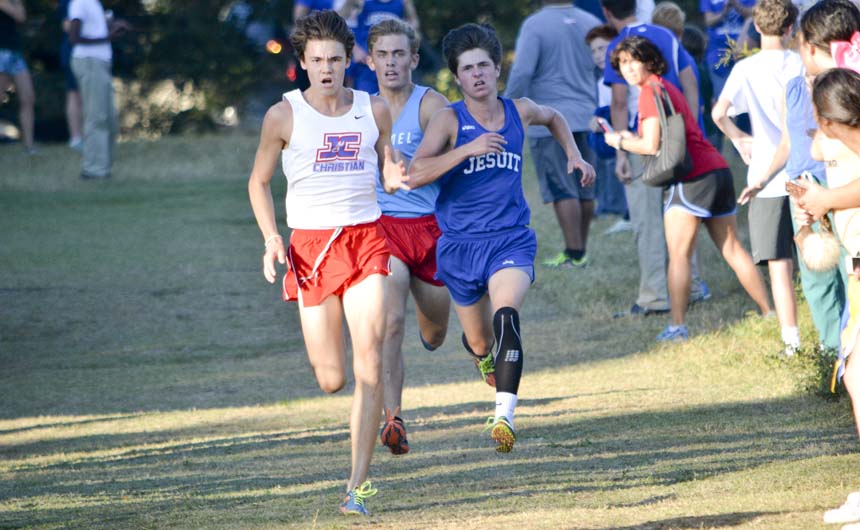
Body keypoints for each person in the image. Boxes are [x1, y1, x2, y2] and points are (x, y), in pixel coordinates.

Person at [246, 9, 408, 516]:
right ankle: (356, 448)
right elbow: (258, 182)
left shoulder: (373, 109)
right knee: (331, 378)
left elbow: (387, 162)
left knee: (369, 364)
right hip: (312, 249)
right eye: (317, 60)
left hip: (366, 241)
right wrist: (272, 238)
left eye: (335, 60)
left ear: (348, 61)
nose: (326, 69)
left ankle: (356, 488)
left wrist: (394, 172)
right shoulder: (284, 115)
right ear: (303, 62)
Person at [408, 23, 595, 452]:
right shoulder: (448, 119)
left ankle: (504, 416)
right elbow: (415, 174)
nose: (477, 74)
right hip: (460, 245)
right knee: (480, 340)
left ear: (497, 69)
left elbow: (554, 117)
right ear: (457, 77)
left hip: (510, 239)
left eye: (483, 66)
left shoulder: (519, 110)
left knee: (506, 315)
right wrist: (465, 150)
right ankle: (479, 354)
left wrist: (574, 155)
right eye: (467, 68)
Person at [603, 36, 771, 340]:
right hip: (717, 169)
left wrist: (619, 141)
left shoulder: (649, 91)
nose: (627, 68)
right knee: (733, 248)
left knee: (679, 255)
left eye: (633, 60)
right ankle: (770, 314)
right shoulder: (667, 87)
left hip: (692, 176)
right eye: (622, 63)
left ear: (649, 61)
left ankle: (677, 327)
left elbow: (650, 145)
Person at [739, 0, 860, 356]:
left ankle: (845, 353)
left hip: (839, 195)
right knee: (818, 273)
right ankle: (832, 350)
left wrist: (825, 198)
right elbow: (793, 144)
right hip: (808, 186)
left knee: (847, 270)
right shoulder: (795, 87)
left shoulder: (846, 90)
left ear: (808, 45)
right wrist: (767, 180)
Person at [365, 18, 451, 456]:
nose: (391, 62)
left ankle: (438, 331)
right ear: (369, 60)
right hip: (383, 229)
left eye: (399, 53)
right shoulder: (359, 108)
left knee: (435, 334)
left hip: (430, 229)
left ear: (414, 58)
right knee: (390, 321)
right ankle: (393, 419)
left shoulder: (432, 105)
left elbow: (454, 159)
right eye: (382, 54)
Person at [600, 0, 711, 316]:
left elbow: (619, 102)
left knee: (647, 220)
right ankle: (693, 286)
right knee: (682, 213)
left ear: (606, 11)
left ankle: (655, 296)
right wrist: (690, 128)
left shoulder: (620, 44)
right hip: (677, 137)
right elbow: (690, 82)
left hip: (642, 137)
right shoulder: (666, 35)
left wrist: (621, 152)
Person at [711, 0, 803, 356]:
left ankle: (791, 343)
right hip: (805, 170)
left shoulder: (746, 68)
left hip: (765, 175)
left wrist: (738, 138)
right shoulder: (800, 62)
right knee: (816, 262)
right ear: (791, 28)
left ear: (758, 27)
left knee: (779, 265)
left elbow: (719, 113)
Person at [793, 68, 860, 529]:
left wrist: (826, 198)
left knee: (857, 375)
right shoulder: (837, 144)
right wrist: (816, 205)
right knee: (855, 376)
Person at [505, 0, 600, 269]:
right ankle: (581, 252)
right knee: (585, 185)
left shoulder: (535, 24)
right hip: (588, 116)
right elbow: (602, 66)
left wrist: (507, 107)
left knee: (562, 188)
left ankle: (574, 253)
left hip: (549, 121)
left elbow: (522, 71)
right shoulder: (591, 22)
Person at [68, 0, 130, 179]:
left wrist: (112, 26)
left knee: (109, 119)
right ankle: (93, 170)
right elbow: (74, 37)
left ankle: (103, 168)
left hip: (101, 64)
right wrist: (107, 37)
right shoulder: (80, 2)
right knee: (96, 117)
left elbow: (94, 29)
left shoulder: (95, 3)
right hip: (89, 62)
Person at [585, 24, 631, 231]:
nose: (597, 55)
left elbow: (621, 107)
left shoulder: (624, 73)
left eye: (602, 48)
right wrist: (598, 122)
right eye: (593, 50)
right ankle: (626, 212)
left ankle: (630, 215)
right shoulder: (601, 80)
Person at [340, 0, 420, 93]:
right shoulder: (362, 1)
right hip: (366, 63)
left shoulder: (403, 2)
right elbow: (339, 22)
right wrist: (355, 49)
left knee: (396, 97)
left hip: (394, 62)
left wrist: (408, 48)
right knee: (368, 98)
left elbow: (415, 26)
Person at [700, 0, 755, 104]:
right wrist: (724, 12)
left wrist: (737, 5)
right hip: (717, 52)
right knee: (721, 96)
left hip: (745, 51)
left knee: (746, 97)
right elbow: (708, 21)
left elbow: (755, 15)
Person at [0, 0, 35, 153]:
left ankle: (29, 146)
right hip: (2, 52)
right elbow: (19, 15)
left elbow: (22, 16)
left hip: (15, 52)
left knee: (28, 97)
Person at [59, 0, 83, 151]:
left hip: (79, 53)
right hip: (73, 53)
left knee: (81, 95)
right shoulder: (68, 2)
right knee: (74, 93)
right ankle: (76, 137)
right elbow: (67, 25)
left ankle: (82, 136)